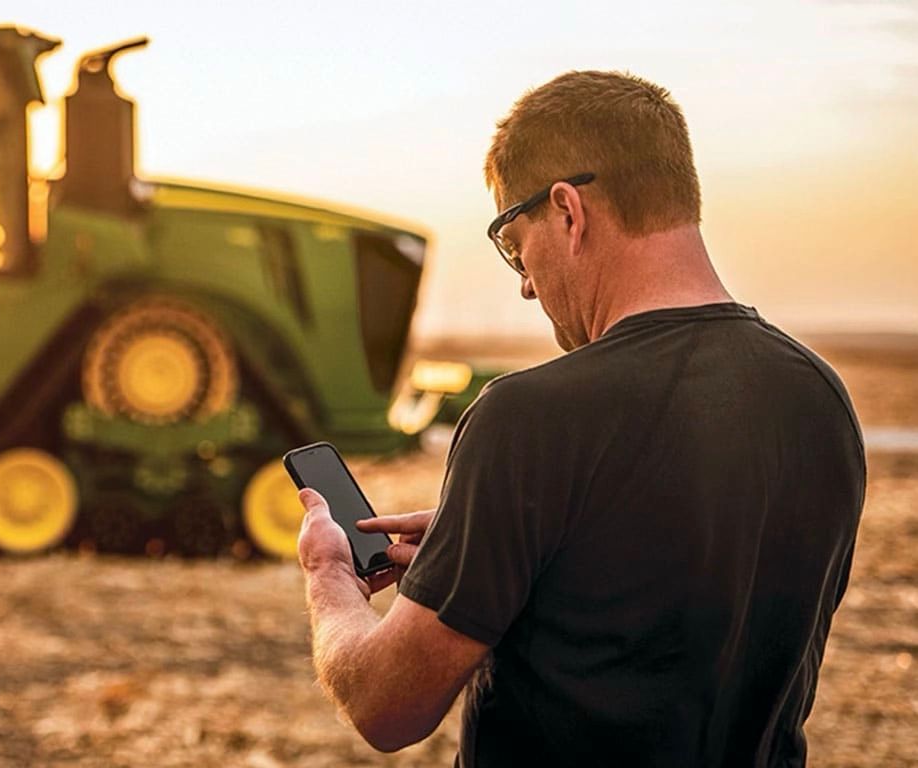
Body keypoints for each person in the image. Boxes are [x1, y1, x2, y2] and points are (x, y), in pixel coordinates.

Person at [294, 70, 866, 767]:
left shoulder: (527, 418)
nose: (527, 283)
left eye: (512, 242)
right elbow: (678, 597)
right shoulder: (818, 397)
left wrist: (329, 577)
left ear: (567, 210)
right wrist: (496, 550)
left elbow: (387, 706)